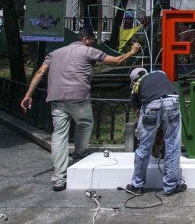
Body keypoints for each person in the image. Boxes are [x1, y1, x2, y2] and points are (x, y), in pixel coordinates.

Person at [20, 29, 142, 191]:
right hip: (78, 96)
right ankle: (78, 156)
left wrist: (28, 94)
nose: (92, 43)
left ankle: (58, 178)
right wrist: (132, 52)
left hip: (56, 98)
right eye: (91, 40)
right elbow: (116, 61)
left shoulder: (55, 53)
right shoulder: (88, 50)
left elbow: (41, 71)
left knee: (59, 135)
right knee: (85, 123)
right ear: (85, 39)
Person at [125, 68, 186, 197]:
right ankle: (170, 186)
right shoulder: (159, 73)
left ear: (133, 80)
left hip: (151, 105)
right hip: (172, 101)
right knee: (173, 145)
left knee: (144, 146)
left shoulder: (136, 85)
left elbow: (138, 110)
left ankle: (137, 186)